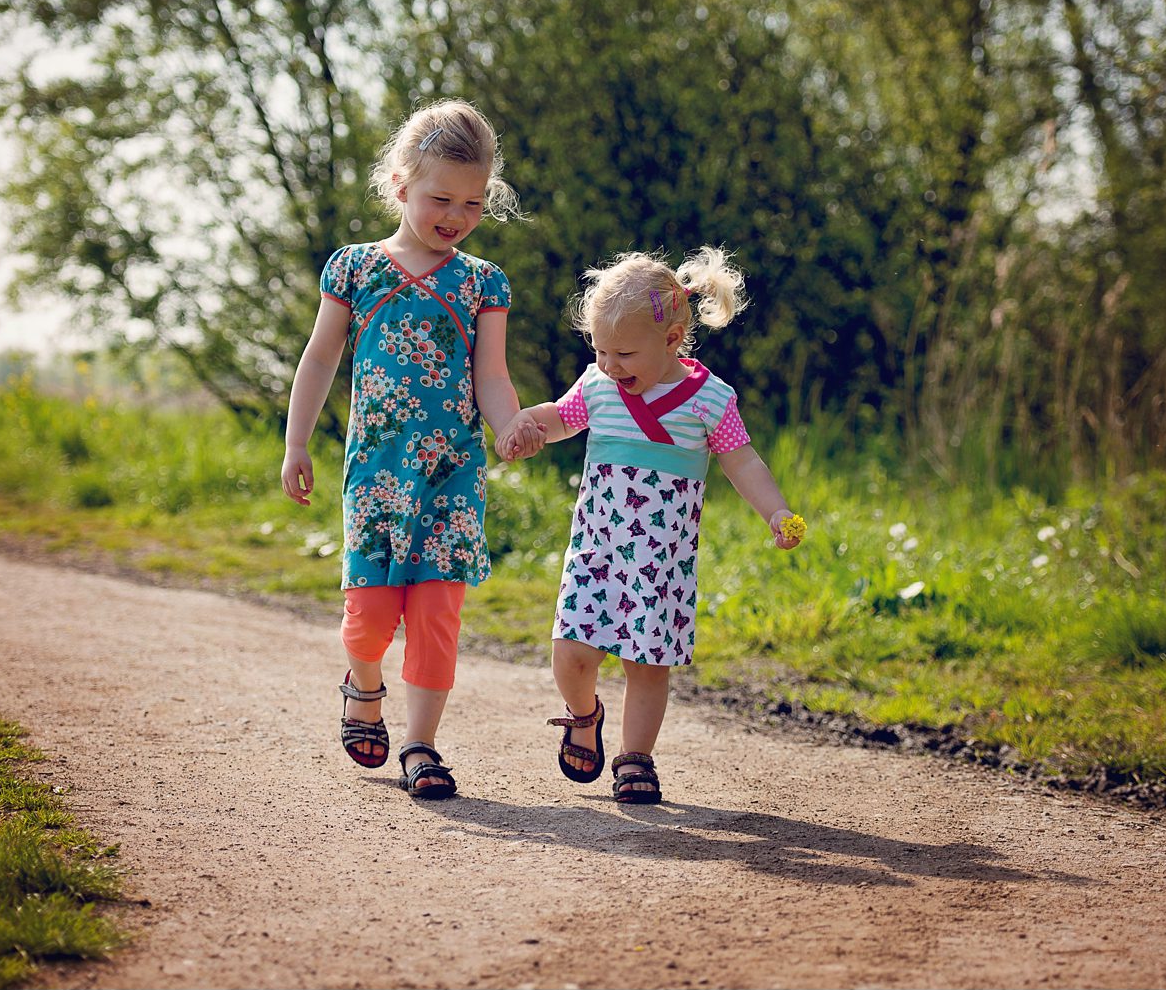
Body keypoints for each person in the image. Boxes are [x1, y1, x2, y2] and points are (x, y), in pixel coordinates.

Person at [280, 99, 536, 800]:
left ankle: (422, 744)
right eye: (440, 198)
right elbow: (319, 357)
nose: (455, 215)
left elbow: (490, 374)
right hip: (375, 476)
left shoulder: (483, 281)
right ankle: (363, 684)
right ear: (399, 185)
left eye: (473, 202)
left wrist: (509, 425)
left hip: (451, 476)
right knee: (368, 619)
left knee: (435, 615)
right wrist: (297, 439)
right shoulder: (355, 268)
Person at [495, 247, 803, 804]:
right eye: (601, 350)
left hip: (660, 564)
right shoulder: (596, 387)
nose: (611, 364)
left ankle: (635, 758)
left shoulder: (710, 400)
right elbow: (559, 419)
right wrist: (526, 423)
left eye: (624, 353)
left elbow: (743, 461)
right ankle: (582, 715)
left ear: (672, 339)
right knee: (571, 652)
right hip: (596, 551)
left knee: (647, 662)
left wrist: (776, 511)